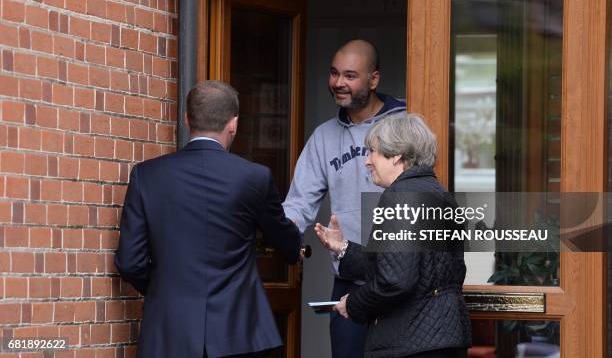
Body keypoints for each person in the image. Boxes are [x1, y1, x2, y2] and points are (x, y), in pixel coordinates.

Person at [115, 80, 302, 358]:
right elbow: (286, 244)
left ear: (187, 118)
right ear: (233, 124)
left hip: (168, 333)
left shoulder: (147, 175)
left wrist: (165, 287)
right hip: (239, 335)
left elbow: (130, 262)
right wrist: (294, 243)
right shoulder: (254, 177)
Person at [283, 39, 406, 358]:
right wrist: (282, 237)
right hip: (351, 280)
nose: (339, 83)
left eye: (350, 75)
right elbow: (298, 204)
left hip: (402, 279)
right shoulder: (324, 137)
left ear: (374, 79)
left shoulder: (406, 123)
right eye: (334, 73)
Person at [314, 112, 472, 358]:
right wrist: (343, 247)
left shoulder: (400, 197)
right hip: (443, 339)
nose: (367, 161)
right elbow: (401, 265)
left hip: (411, 343)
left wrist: (353, 304)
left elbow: (396, 280)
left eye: (372, 152)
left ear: (397, 154)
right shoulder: (439, 194)